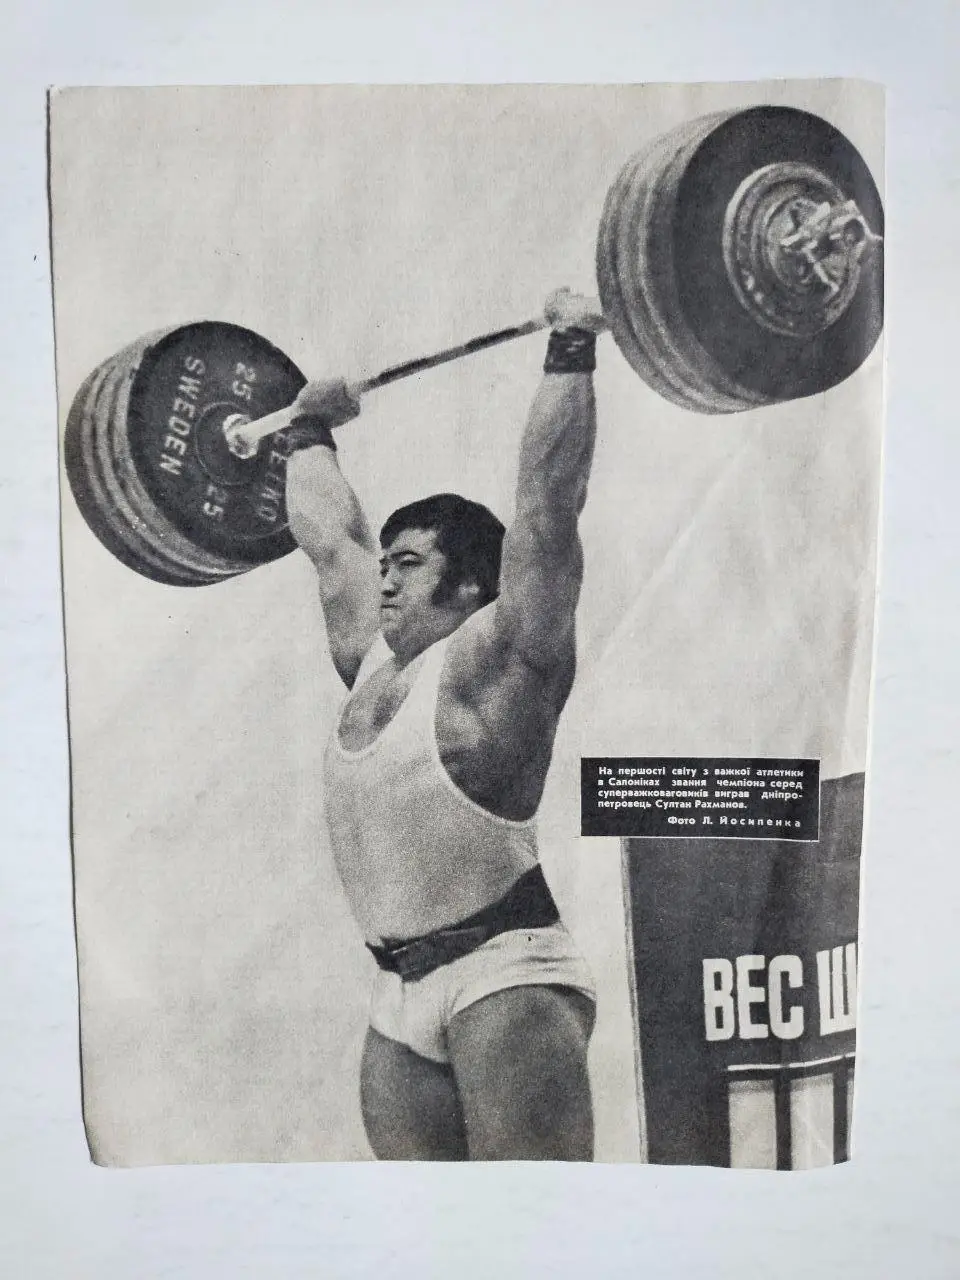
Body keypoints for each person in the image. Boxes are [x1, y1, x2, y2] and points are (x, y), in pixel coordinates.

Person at [284, 288, 605, 1161]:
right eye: (387, 564)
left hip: (504, 975)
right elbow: (329, 540)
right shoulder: (373, 663)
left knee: (534, 1221)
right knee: (419, 1227)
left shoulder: (503, 662)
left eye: (409, 564)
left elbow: (547, 508)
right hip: (397, 996)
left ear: (468, 584)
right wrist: (305, 430)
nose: (384, 580)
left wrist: (571, 347)